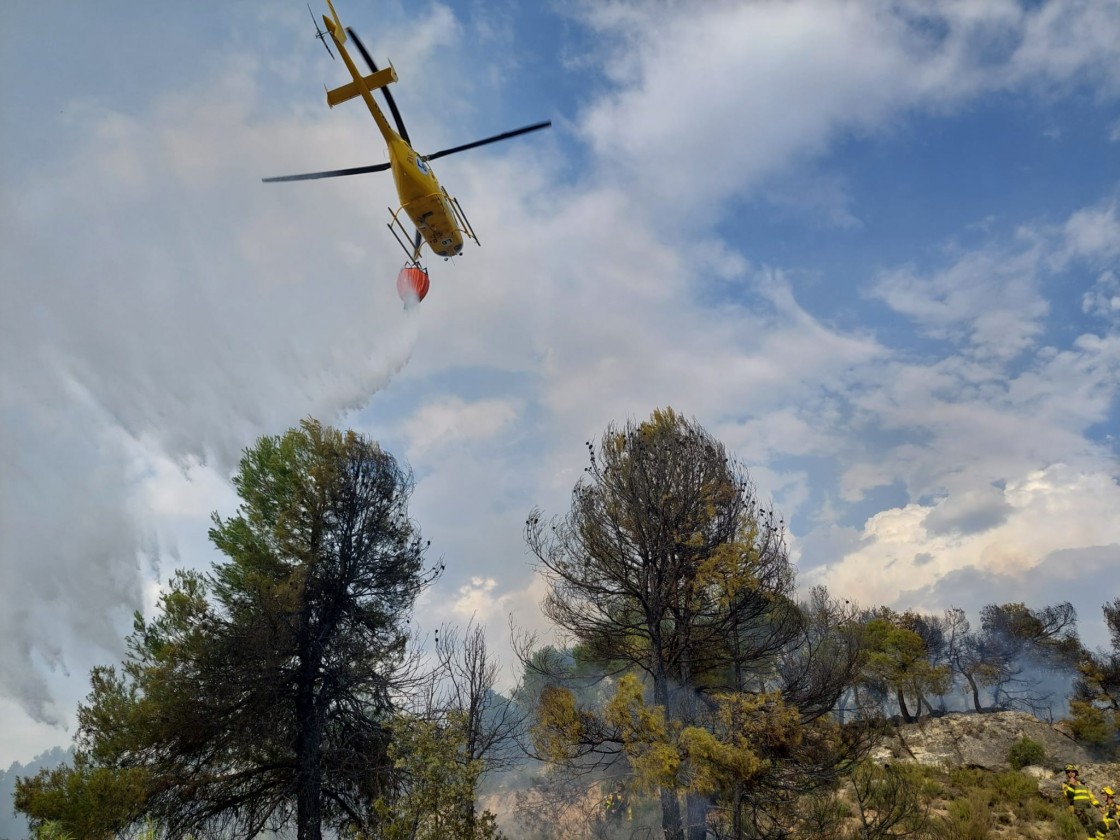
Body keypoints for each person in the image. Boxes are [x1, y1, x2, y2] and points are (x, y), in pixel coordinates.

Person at [1063, 765, 1101, 832]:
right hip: (1080, 809)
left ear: (1076, 773)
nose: (1071, 773)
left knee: (1101, 825)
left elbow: (1090, 795)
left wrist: (1097, 805)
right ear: (1067, 774)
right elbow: (1069, 796)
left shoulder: (1081, 784)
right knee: (1090, 828)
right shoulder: (1065, 784)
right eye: (1068, 772)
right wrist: (1071, 784)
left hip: (1089, 807)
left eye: (1073, 771)